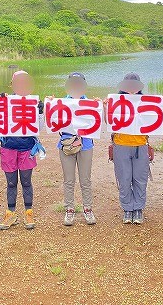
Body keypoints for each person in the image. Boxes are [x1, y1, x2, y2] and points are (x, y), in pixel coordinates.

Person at [0, 70, 45, 231]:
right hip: (8, 147)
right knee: (11, 183)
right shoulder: (5, 101)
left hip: (27, 148)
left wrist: (40, 111)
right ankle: (10, 213)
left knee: (26, 181)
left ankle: (28, 212)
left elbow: (39, 128)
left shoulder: (34, 102)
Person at [54, 72, 98, 226]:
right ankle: (69, 209)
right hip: (66, 144)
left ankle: (88, 209)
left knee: (85, 179)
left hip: (86, 144)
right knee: (69, 179)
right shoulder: (61, 103)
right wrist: (50, 104)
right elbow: (52, 121)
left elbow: (99, 122)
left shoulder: (92, 103)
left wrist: (101, 106)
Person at [110, 73, 152, 225]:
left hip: (141, 145)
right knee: (124, 178)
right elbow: (108, 122)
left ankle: (138, 208)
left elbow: (158, 119)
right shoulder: (115, 102)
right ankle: (127, 208)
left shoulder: (147, 102)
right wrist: (102, 106)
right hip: (121, 145)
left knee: (140, 179)